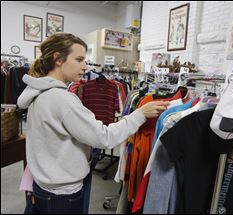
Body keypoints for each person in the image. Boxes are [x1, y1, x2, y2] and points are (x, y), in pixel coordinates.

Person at [17, 32, 169, 214]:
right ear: (58, 58)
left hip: (43, 186)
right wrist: (140, 114)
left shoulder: (39, 92)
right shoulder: (62, 99)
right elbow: (104, 138)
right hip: (61, 194)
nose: (85, 67)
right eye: (79, 59)